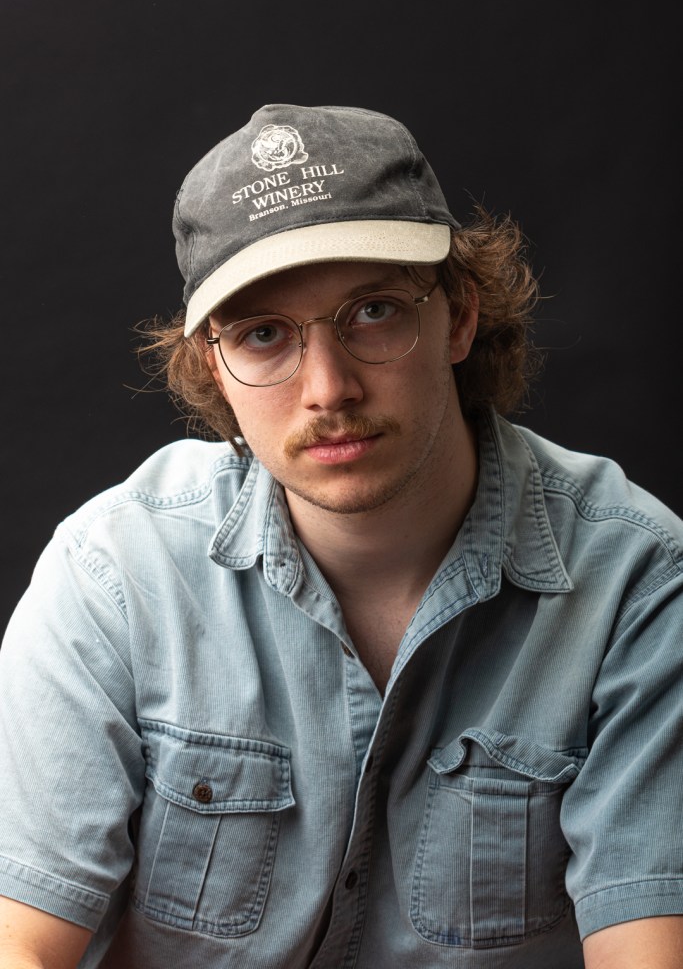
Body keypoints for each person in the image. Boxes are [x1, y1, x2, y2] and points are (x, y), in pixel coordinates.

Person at [0, 103, 681, 969]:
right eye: (262, 334)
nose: (327, 388)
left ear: (459, 318)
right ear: (214, 364)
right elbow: (19, 943)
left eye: (372, 313)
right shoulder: (114, 572)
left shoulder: (635, 578)